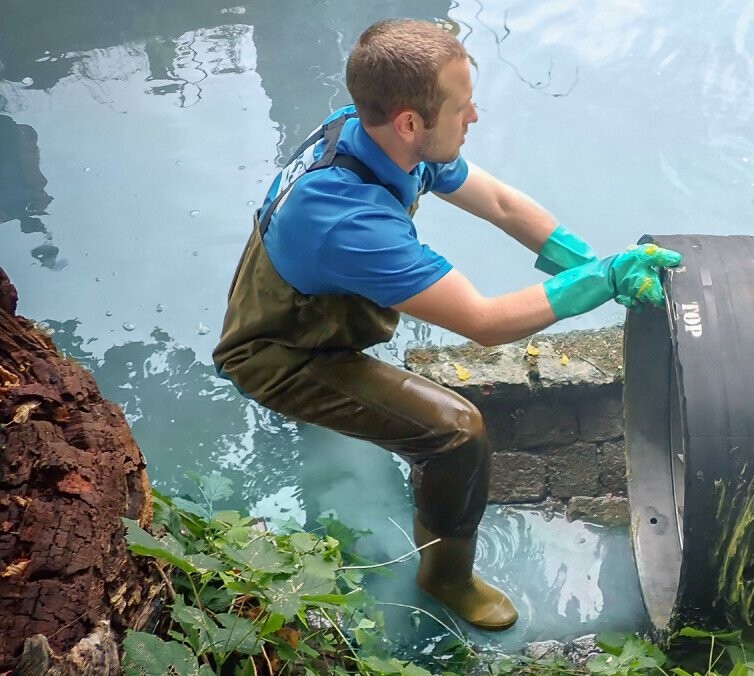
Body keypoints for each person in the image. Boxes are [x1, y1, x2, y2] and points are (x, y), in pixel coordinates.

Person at [212, 18, 680, 631]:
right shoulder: (347, 221)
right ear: (410, 121)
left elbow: (505, 206)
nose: (475, 117)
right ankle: (446, 577)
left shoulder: (374, 134)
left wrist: (590, 264)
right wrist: (600, 284)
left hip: (309, 296)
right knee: (455, 432)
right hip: (283, 351)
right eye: (463, 107)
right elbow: (483, 323)